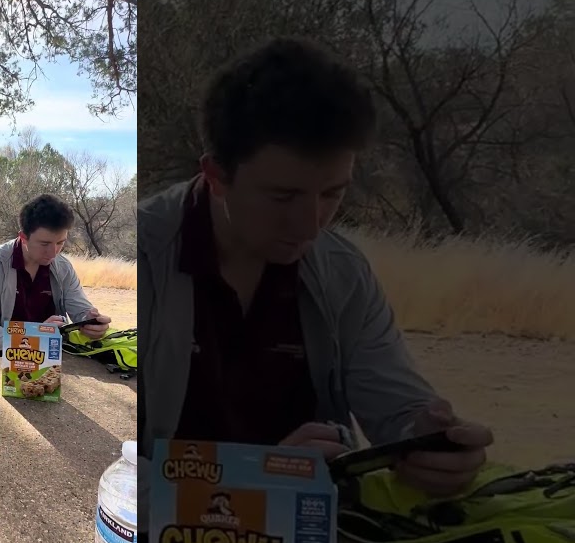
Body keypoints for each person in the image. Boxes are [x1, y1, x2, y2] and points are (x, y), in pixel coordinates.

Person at [139, 37, 493, 497]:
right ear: (217, 176)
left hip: (312, 529)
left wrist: (425, 438)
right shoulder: (146, 256)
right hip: (162, 538)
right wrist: (251, 479)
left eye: (332, 194)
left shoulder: (343, 273)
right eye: (282, 196)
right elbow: (107, 463)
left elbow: (398, 407)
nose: (311, 225)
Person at [0, 193, 112, 364]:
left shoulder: (63, 267)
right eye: (44, 244)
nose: (53, 253)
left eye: (60, 243)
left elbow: (80, 311)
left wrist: (91, 321)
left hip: (47, 358)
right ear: (23, 237)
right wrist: (37, 333)